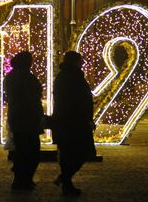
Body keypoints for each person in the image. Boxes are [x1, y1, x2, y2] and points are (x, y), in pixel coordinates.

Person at [52, 51, 96, 196]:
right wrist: (87, 118)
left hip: (64, 121)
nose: (82, 63)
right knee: (82, 151)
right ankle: (65, 180)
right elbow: (81, 100)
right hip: (75, 122)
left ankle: (65, 181)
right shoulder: (74, 77)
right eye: (80, 60)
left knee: (67, 154)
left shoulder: (63, 76)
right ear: (75, 61)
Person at [3, 51, 44, 190]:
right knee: (31, 151)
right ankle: (23, 180)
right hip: (27, 117)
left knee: (22, 150)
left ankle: (22, 178)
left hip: (17, 116)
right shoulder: (25, 77)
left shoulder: (11, 76)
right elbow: (31, 97)